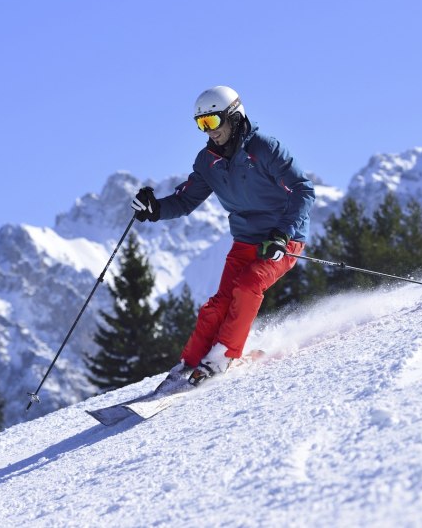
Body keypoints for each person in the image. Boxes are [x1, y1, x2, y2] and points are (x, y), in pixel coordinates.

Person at [131, 85, 315, 387]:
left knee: (248, 285)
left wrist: (283, 232)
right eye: (201, 125)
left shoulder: (264, 149)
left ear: (234, 117)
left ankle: (221, 357)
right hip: (245, 240)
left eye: (213, 122)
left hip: (281, 240)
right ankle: (189, 364)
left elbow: (303, 189)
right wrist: (154, 209)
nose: (209, 131)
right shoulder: (208, 162)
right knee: (219, 304)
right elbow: (185, 201)